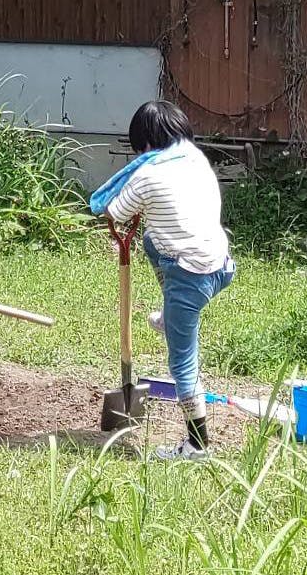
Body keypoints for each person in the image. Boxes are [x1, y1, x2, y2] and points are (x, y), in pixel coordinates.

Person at [94, 100, 235, 460]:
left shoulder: (146, 174)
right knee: (152, 240)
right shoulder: (196, 159)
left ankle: (197, 445)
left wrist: (125, 190)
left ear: (144, 143)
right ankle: (170, 314)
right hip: (220, 265)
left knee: (183, 364)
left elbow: (114, 212)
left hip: (190, 278)